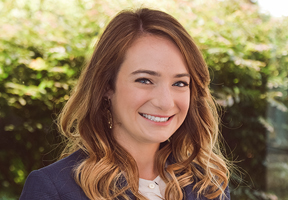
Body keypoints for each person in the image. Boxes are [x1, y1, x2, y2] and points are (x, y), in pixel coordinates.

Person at [20, 8, 230, 200]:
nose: (166, 103)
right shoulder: (53, 189)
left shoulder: (210, 185)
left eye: (180, 83)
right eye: (145, 80)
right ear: (106, 86)